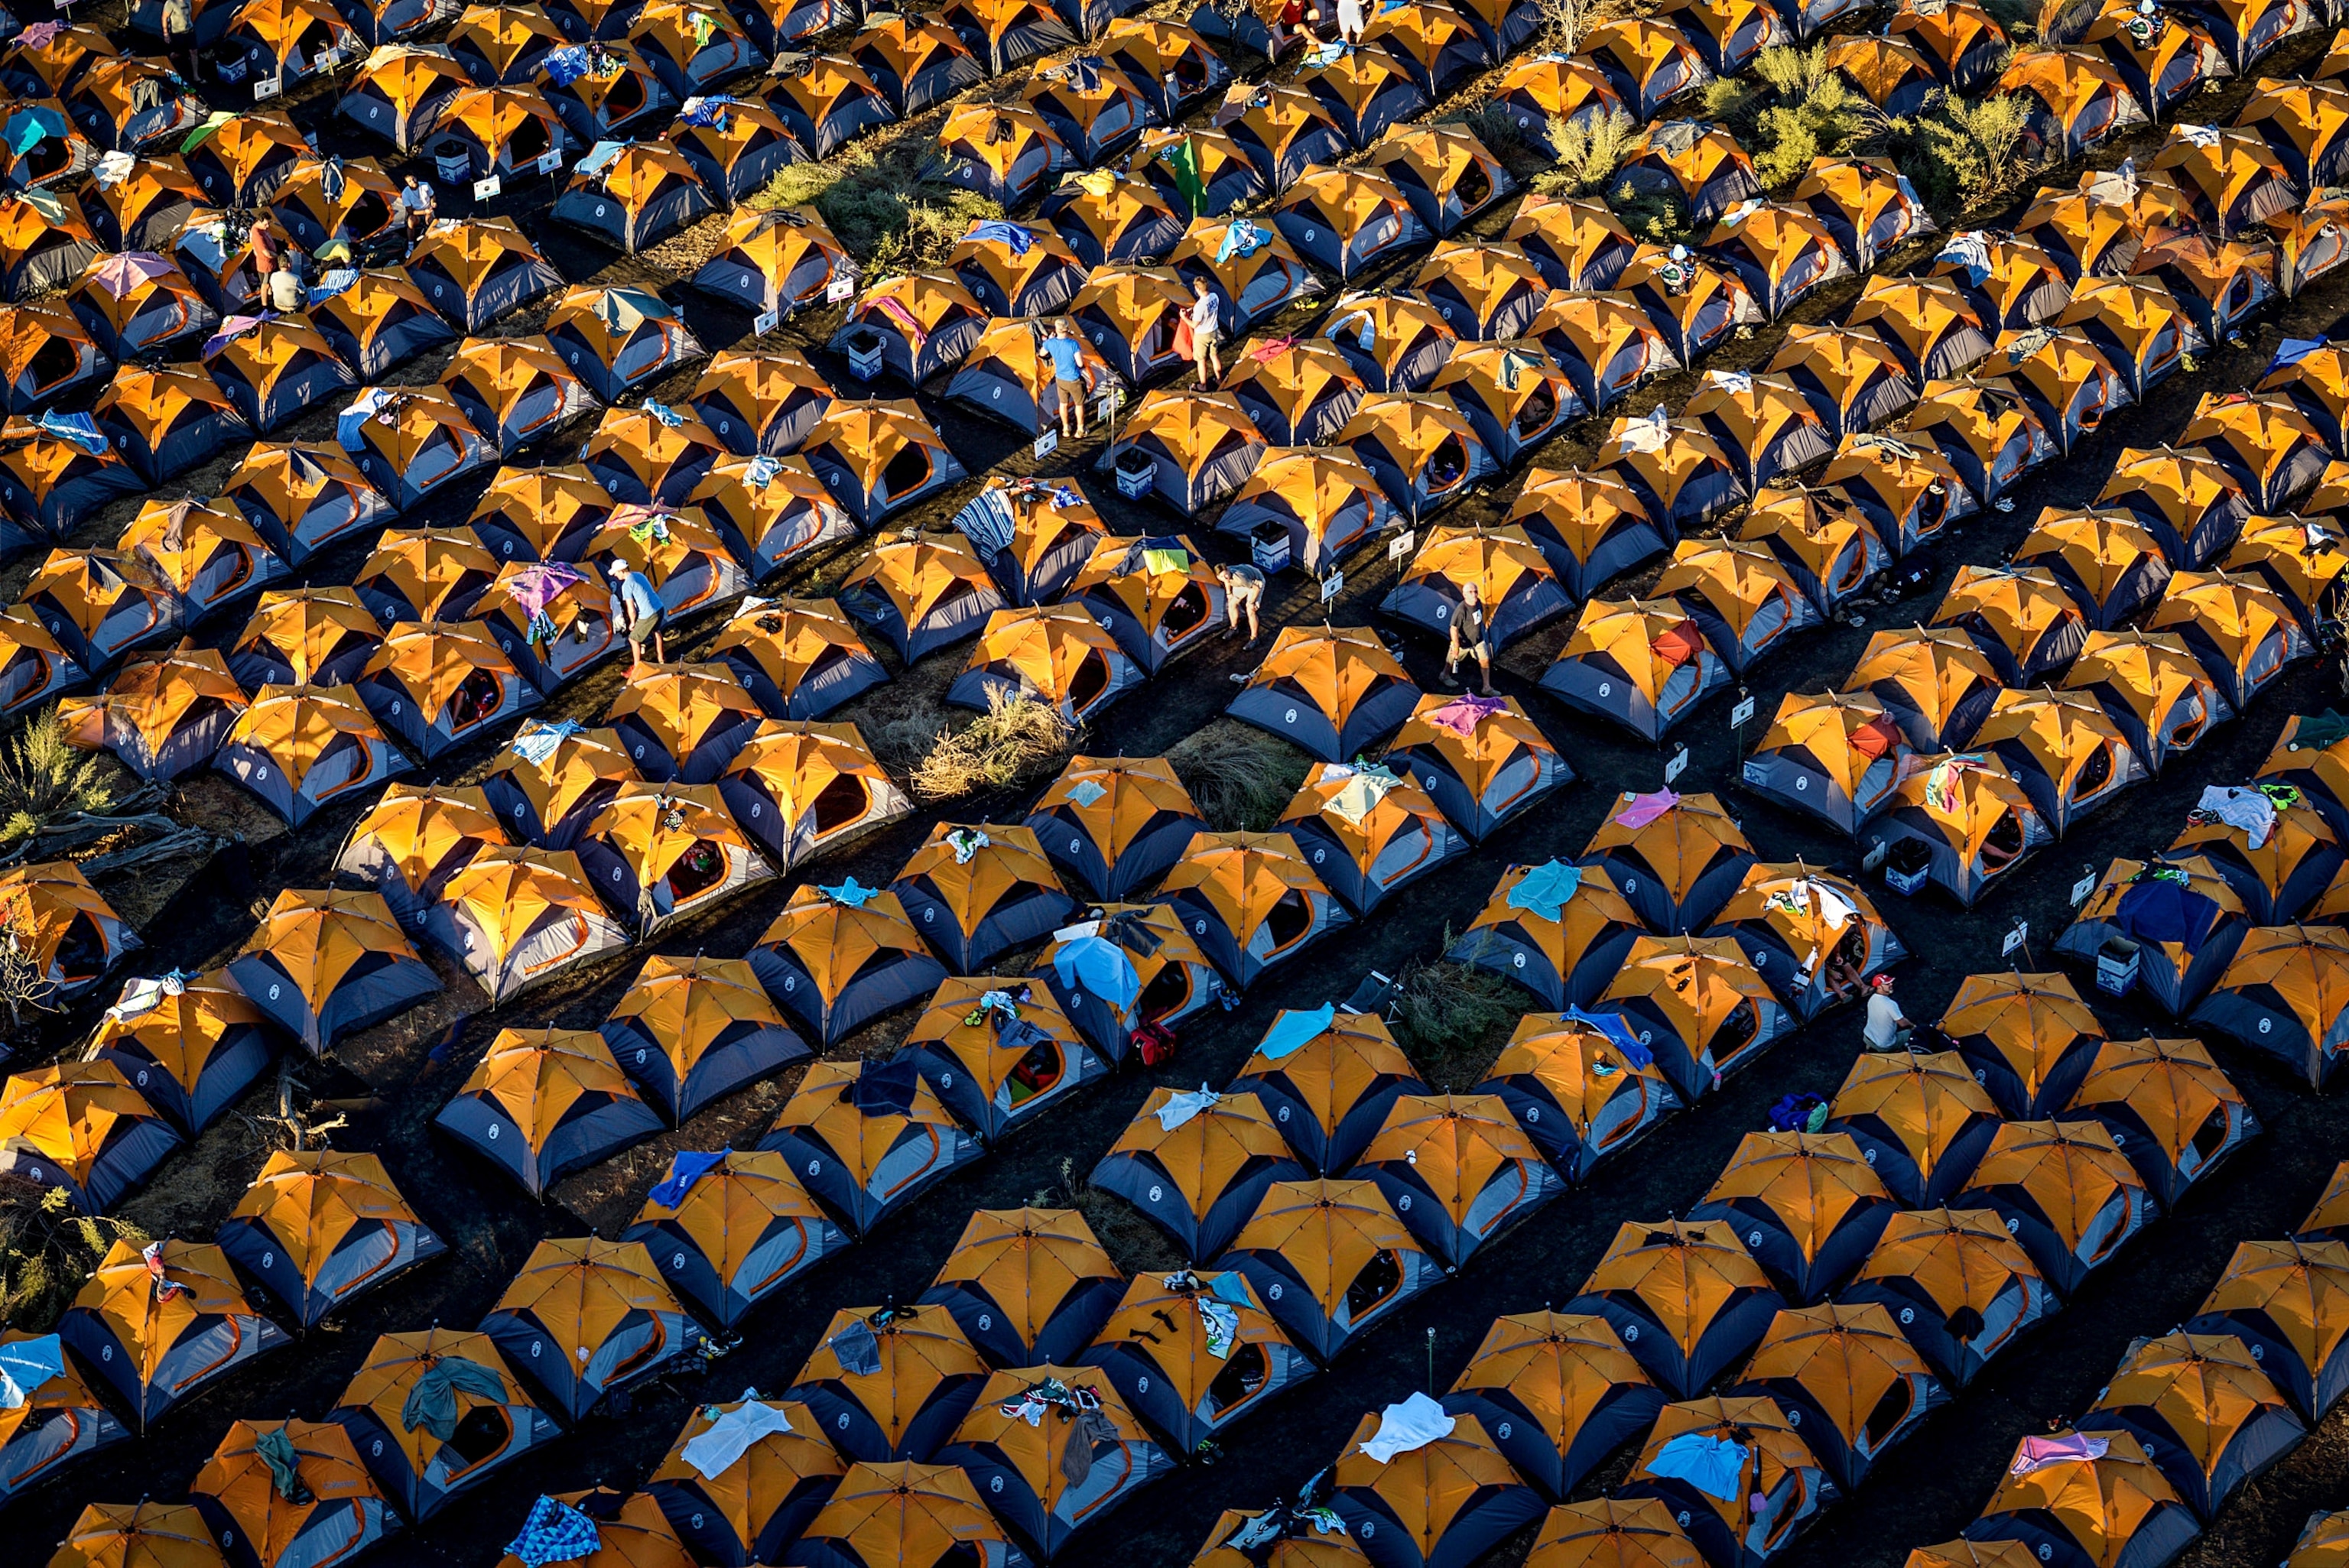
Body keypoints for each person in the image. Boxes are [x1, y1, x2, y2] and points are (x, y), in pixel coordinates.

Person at [1444, 578, 1497, 696]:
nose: (1474, 594)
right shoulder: (1461, 610)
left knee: (1485, 661)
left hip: (1478, 641)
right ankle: (1445, 676)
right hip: (1463, 643)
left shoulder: (1478, 603)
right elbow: (1453, 628)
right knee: (1451, 661)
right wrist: (1456, 646)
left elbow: (1480, 617)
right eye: (1471, 592)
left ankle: (1487, 687)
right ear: (1465, 595)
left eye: (1476, 591)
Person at [608, 557, 665, 666]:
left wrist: (633, 623)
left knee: (633, 639)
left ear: (621, 571)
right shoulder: (639, 575)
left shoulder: (626, 586)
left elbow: (631, 609)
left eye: (615, 573)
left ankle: (637, 667)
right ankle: (661, 659)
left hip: (648, 614)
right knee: (656, 631)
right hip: (659, 607)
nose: (615, 575)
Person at [1045, 320, 1095, 440]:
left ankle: (1066, 429)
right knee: (1079, 404)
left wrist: (1048, 340)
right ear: (1067, 329)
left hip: (1060, 379)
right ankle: (1080, 430)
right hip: (1074, 379)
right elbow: (1080, 363)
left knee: (1063, 404)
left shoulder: (1050, 343)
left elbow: (1042, 353)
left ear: (1056, 330)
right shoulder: (1073, 344)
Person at [1216, 561, 1265, 643]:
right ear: (1218, 577)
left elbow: (1256, 588)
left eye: (1225, 575)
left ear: (1228, 570)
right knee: (1232, 604)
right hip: (1244, 582)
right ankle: (1234, 628)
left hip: (1255, 581)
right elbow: (1226, 581)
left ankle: (1254, 638)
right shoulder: (1226, 576)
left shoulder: (1239, 578)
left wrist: (1252, 602)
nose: (1224, 578)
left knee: (1250, 610)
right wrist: (1229, 593)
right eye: (1221, 577)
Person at [1187, 279, 1223, 385]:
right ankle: (1219, 379)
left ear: (1198, 289)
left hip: (1202, 335)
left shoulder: (1200, 306)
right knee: (1214, 356)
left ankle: (1203, 385)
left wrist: (1184, 317)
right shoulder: (1214, 296)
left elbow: (1194, 325)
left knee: (1201, 360)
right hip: (1214, 330)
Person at [1863, 974, 1911, 1052]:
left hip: (1867, 1038)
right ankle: (1895, 1050)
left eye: (1890, 982)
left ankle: (1870, 1048)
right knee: (1913, 1033)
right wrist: (1913, 1026)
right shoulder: (1890, 1004)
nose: (1891, 984)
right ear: (1879, 987)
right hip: (1884, 1045)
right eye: (1887, 984)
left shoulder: (1872, 999)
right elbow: (1903, 1023)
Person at [161, 0, 197, 83]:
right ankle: (167, 63)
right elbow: (164, 17)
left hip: (190, 30)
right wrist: (166, 34)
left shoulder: (188, 1)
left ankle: (196, 76)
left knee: (194, 52)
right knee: (178, 53)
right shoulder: (171, 3)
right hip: (177, 33)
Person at [399, 174, 435, 248]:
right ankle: (411, 244)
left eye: (413, 179)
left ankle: (432, 240)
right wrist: (424, 212)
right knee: (410, 221)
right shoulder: (405, 193)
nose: (413, 182)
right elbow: (410, 211)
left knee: (429, 221)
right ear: (407, 184)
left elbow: (432, 196)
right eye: (410, 181)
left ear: (416, 178)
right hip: (417, 213)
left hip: (428, 209)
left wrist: (433, 202)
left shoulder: (425, 185)